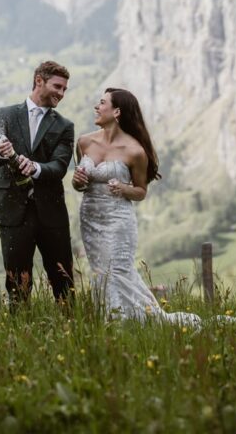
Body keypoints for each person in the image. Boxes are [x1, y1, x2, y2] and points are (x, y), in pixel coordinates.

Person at [72, 86, 202, 326]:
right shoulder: (84, 142)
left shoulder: (135, 151)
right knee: (101, 273)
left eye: (102, 103)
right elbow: (80, 184)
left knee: (118, 272)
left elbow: (141, 192)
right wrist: (77, 181)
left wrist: (123, 189)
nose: (96, 107)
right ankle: (116, 321)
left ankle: (137, 321)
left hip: (118, 221)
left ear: (117, 111)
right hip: (90, 219)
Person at [0, 60, 75, 304]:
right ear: (39, 81)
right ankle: (18, 333)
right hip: (13, 212)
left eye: (64, 89)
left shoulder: (65, 126)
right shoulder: (4, 115)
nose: (61, 93)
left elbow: (59, 166)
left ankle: (73, 328)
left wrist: (35, 168)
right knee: (16, 283)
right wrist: (2, 152)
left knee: (63, 281)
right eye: (58, 86)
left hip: (51, 213)